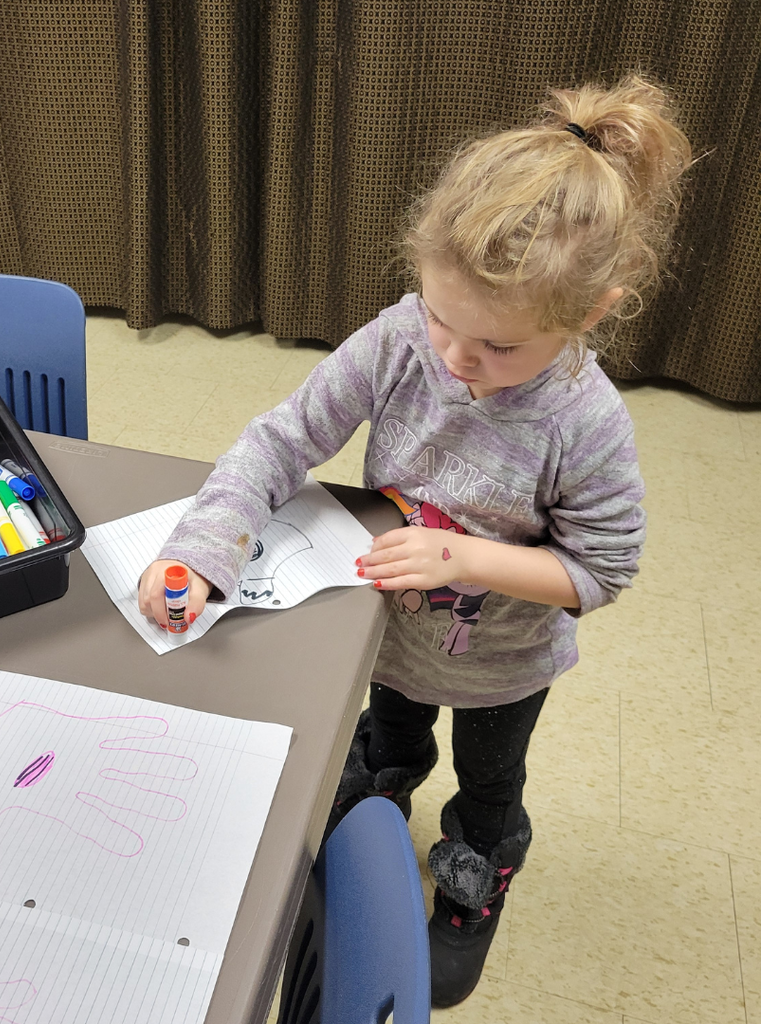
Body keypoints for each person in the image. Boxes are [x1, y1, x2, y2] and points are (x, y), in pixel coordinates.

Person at [138, 74, 693, 1007]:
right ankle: (379, 803)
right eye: (441, 317)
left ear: (589, 315)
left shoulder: (584, 423)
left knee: (489, 782)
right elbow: (282, 439)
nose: (454, 360)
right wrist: (206, 546)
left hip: (502, 668)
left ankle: (480, 874)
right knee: (387, 736)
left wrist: (465, 558)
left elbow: (605, 567)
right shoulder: (402, 338)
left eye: (499, 348)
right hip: (386, 638)